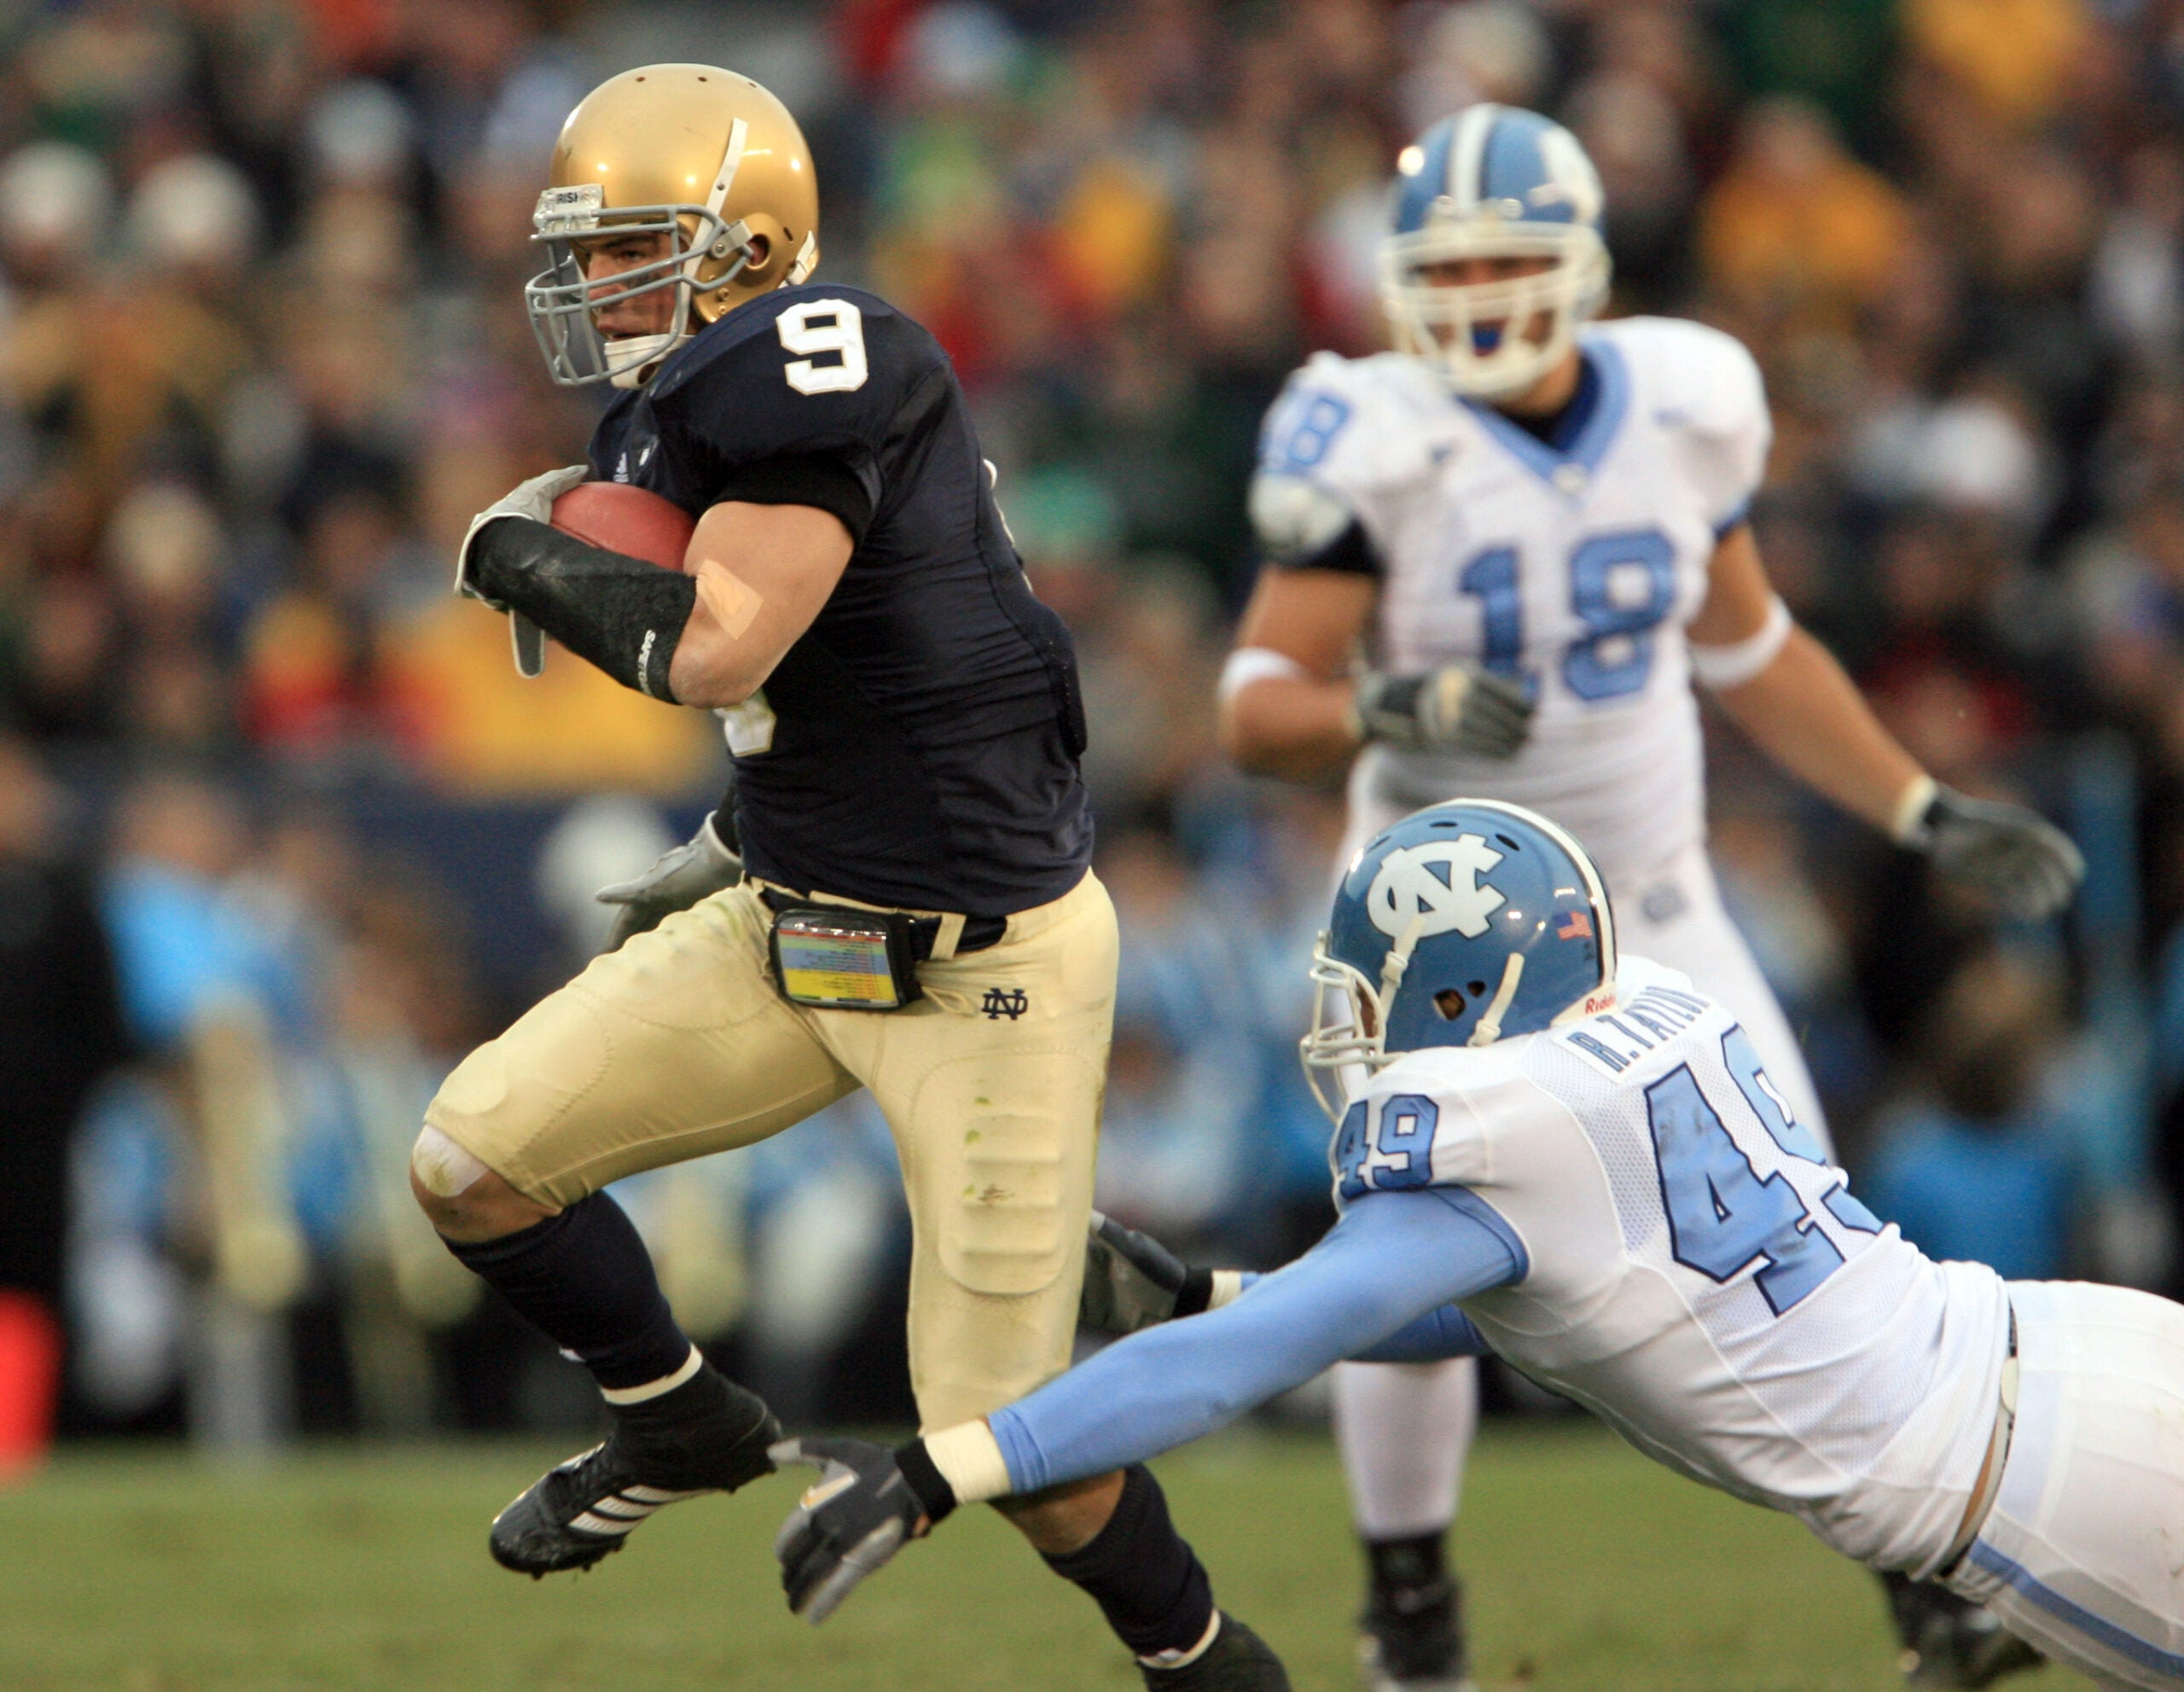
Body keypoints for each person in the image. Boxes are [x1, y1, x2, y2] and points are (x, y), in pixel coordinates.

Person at [408, 65, 1287, 1691]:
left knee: (1006, 1442)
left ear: (743, 246)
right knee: (471, 1163)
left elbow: (729, 643)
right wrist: (744, 834)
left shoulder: (832, 355)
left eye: (629, 246)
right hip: (793, 915)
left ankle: (1213, 1664)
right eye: (587, 250)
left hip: (982, 966)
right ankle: (676, 1421)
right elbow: (872, 681)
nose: (593, 283)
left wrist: (514, 551)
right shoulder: (679, 401)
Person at [1213, 104, 2082, 1691]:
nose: (1473, 295)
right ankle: (1411, 1603)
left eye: (1504, 261)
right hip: (1438, 946)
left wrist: (1915, 802)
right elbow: (1255, 705)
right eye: (1446, 265)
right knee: (1401, 1238)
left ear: (1582, 266)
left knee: (1807, 1218)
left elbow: (1749, 649)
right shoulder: (1370, 434)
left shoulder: (1687, 404)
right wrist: (1383, 712)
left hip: (1650, 907)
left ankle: (1928, 1594)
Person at [772, 799, 2184, 1692]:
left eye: (1385, 988)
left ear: (1460, 986)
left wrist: (937, 1468)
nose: (1362, 1023)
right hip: (2073, 1343)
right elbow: (1544, 1310)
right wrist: (1208, 1285)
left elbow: (1249, 1365)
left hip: (2030, 1488)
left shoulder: (1496, 1127)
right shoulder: (1656, 1019)